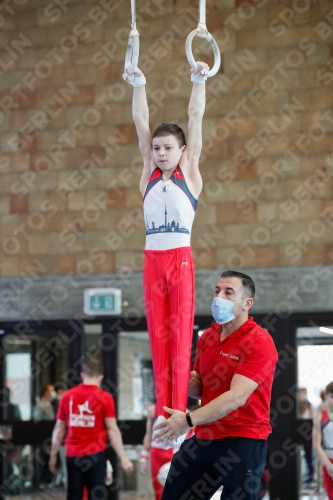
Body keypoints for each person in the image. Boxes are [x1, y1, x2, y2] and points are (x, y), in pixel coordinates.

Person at [122, 60, 209, 442]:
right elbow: (141, 121)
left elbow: (195, 115)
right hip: (152, 261)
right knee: (158, 339)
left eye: (167, 148)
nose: (159, 153)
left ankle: (179, 419)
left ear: (183, 150)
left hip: (181, 260)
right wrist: (138, 82)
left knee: (179, 343)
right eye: (156, 148)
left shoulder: (191, 172)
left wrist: (197, 79)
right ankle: (163, 424)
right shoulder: (147, 172)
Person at [153, 270, 278, 500]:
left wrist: (188, 420)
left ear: (246, 303)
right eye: (217, 290)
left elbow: (237, 396)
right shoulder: (207, 338)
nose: (219, 297)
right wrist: (180, 380)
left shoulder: (259, 341)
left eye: (229, 292)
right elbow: (200, 387)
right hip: (206, 435)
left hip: (243, 440)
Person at [48, 358, 133, 500]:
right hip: (96, 455)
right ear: (101, 377)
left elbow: (59, 429)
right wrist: (123, 458)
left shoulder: (67, 396)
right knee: (97, 495)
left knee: (74, 495)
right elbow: (112, 430)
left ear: (82, 375)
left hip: (73, 455)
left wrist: (53, 456)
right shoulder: (105, 398)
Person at [313, 381, 333, 500]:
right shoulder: (320, 417)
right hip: (328, 461)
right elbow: (316, 445)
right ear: (326, 397)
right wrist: (330, 466)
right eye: (332, 396)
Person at [298, 387, 315, 484]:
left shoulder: (309, 405)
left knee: (309, 456)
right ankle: (301, 476)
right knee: (300, 457)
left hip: (308, 435)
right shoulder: (297, 406)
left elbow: (313, 420)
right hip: (298, 434)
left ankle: (311, 476)